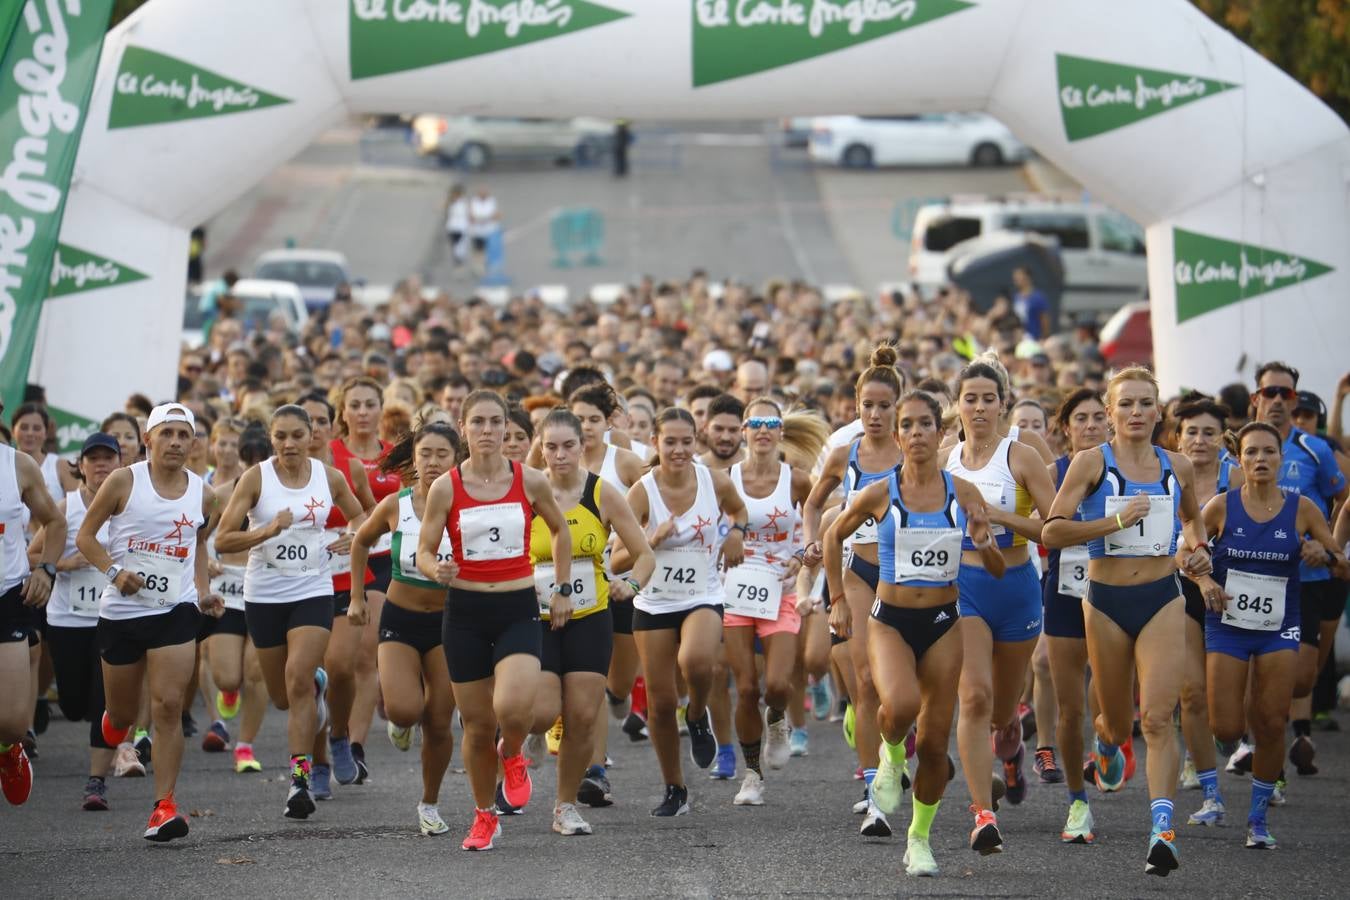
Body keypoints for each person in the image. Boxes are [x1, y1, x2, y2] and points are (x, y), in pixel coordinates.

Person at [827, 389, 1003, 876]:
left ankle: (919, 838)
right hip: (890, 621)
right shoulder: (880, 492)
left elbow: (996, 567)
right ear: (898, 435)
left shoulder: (963, 493)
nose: (917, 433)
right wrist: (838, 599)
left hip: (945, 622)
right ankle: (888, 754)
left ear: (942, 432)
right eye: (908, 426)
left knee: (933, 745)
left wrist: (986, 542)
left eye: (926, 424)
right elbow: (833, 535)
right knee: (900, 706)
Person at [1043, 367, 1211, 876]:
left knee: (1159, 717)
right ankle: (1106, 743)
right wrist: (1115, 521)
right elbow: (1052, 531)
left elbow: (1191, 518)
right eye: (1126, 404)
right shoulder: (1091, 463)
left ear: (1159, 412)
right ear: (1111, 413)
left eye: (1145, 403)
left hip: (1163, 597)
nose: (1136, 412)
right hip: (1105, 602)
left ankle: (1162, 831)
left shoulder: (1177, 464)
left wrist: (1199, 550)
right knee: (1117, 725)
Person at [417, 389, 572, 850]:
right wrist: (435, 568)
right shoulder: (446, 486)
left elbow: (561, 530)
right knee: (479, 725)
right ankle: (485, 815)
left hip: (516, 608)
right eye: (477, 422)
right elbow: (425, 549)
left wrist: (562, 589)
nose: (487, 430)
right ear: (463, 429)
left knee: (512, 710)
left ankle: (514, 753)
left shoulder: (529, 481)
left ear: (508, 429)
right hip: (464, 614)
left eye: (495, 422)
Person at [1188, 422, 1346, 850]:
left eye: (1269, 453)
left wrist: (1323, 553)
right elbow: (1186, 552)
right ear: (1239, 460)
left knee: (1273, 722)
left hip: (1280, 625)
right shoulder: (1221, 506)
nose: (1260, 460)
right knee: (1225, 725)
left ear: (1281, 460)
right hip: (1228, 625)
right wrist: (1204, 579)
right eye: (1252, 453)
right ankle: (1233, 743)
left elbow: (1339, 561)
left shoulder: (1303, 509)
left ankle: (1257, 820)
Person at [78, 403, 222, 840]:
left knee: (168, 706)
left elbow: (197, 544)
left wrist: (200, 592)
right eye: (167, 433)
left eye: (184, 434)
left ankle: (164, 806)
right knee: (121, 715)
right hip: (122, 612)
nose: (176, 442)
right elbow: (85, 537)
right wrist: (115, 573)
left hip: (174, 611)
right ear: (148, 439)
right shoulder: (124, 480)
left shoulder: (205, 493)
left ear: (193, 443)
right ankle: (113, 726)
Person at [214, 405, 365, 818]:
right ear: (271, 438)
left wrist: (352, 535)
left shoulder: (328, 477)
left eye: (297, 434)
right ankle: (315, 690)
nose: (289, 444)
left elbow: (361, 515)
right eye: (280, 436)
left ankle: (300, 779)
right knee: (283, 696)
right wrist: (265, 530)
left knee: (297, 678)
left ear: (311, 434)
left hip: (312, 589)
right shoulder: (256, 478)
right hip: (263, 594)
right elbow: (224, 539)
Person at [944, 356, 1057, 852]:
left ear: (1004, 404)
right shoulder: (945, 457)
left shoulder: (1022, 456)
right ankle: (982, 813)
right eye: (971, 398)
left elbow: (1055, 528)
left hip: (1016, 587)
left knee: (1002, 712)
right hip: (964, 587)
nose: (980, 407)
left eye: (989, 398)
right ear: (957, 405)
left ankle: (1009, 752)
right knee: (972, 697)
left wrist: (998, 516)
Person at [612, 407, 747, 817]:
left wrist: (737, 533)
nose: (678, 449)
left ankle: (698, 712)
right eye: (669, 441)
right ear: (655, 443)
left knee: (698, 661)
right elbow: (618, 559)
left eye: (686, 441)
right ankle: (675, 788)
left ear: (697, 441)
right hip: (654, 602)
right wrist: (652, 538)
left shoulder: (714, 481)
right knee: (659, 701)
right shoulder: (641, 491)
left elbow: (739, 511)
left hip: (701, 594)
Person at [527, 409, 654, 833]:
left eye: (568, 446)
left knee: (582, 715)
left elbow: (645, 554)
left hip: (590, 614)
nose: (560, 455)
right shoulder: (526, 492)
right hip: (537, 616)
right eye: (551, 447)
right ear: (540, 449)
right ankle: (512, 751)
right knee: (542, 713)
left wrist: (631, 586)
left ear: (583, 447)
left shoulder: (601, 493)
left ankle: (564, 806)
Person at [804, 345, 904, 837]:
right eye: (867, 405)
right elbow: (815, 504)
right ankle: (872, 791)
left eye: (885, 406)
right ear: (856, 406)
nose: (875, 414)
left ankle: (896, 756)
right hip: (860, 569)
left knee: (903, 692)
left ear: (899, 409)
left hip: (909, 575)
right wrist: (811, 543)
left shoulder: (917, 451)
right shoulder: (846, 454)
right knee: (864, 680)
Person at [349, 422, 462, 837]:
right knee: (404, 710)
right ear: (413, 460)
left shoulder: (466, 505)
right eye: (425, 454)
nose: (433, 463)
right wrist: (358, 597)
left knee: (438, 719)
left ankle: (429, 803)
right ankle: (399, 722)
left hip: (450, 624)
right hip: (400, 616)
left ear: (456, 459)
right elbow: (361, 542)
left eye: (442, 455)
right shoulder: (396, 505)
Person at [1248, 362, 1346, 781]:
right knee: (1258, 674)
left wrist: (1328, 547)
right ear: (1256, 398)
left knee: (1302, 679)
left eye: (1285, 395)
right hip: (1253, 579)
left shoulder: (1314, 450)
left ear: (1294, 399)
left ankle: (1276, 730)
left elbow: (1343, 499)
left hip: (1305, 581)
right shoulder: (1239, 447)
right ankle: (1266, 753)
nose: (1276, 401)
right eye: (1269, 392)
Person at [723, 398, 812, 806]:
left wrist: (800, 557)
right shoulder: (725, 479)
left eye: (770, 423)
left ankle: (777, 719)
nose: (762, 430)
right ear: (744, 431)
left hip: (781, 590)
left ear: (780, 431)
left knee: (777, 684)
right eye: (754, 423)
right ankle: (752, 775)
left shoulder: (797, 480)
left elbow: (814, 529)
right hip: (737, 590)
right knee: (744, 688)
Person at [34, 434, 121, 810]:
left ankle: (96, 781)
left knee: (104, 699)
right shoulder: (66, 507)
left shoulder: (128, 506)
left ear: (119, 464)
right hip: (67, 618)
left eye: (108, 458)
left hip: (112, 617)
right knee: (72, 703)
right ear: (80, 466)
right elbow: (32, 551)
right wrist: (65, 564)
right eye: (94, 459)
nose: (101, 465)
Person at [1040, 389, 1108, 843]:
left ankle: (1108, 741)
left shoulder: (1128, 470)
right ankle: (1077, 801)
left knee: (1110, 693)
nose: (1090, 425)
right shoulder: (1052, 473)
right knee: (1070, 706)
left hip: (1114, 592)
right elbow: (1042, 528)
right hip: (1064, 587)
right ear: (1066, 428)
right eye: (1080, 418)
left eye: (1098, 417)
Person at [327, 377, 400, 785]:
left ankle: (355, 746)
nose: (362, 412)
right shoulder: (331, 455)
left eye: (370, 404)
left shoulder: (394, 457)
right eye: (354, 405)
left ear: (380, 408)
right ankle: (332, 730)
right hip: (338, 562)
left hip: (384, 560)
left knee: (366, 653)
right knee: (337, 663)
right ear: (343, 411)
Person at [1173, 400, 1241, 824]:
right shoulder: (1164, 475)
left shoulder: (1236, 477)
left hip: (1236, 595)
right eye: (1191, 432)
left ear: (1222, 439)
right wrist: (1197, 574)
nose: (1199, 440)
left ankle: (1232, 739)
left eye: (1208, 432)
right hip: (1179, 592)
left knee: (1228, 719)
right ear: (1178, 438)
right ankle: (1212, 793)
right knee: (1191, 695)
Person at [1011, 267, 1050, 342]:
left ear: (1027, 277)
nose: (1016, 280)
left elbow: (1045, 320)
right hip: (1018, 338)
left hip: (1034, 339)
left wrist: (1044, 338)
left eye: (1019, 276)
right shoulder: (1015, 298)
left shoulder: (1038, 297)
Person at [445, 185, 470, 269]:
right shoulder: (450, 202)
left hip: (462, 227)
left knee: (461, 246)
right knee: (454, 246)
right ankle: (457, 264)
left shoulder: (464, 202)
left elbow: (469, 213)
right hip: (452, 227)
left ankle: (460, 263)